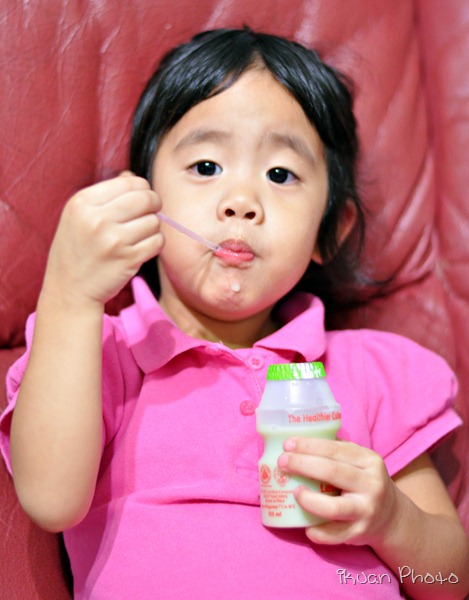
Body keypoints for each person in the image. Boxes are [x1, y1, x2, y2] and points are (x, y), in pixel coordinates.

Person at [1, 28, 468, 600]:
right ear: (141, 200)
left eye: (280, 175)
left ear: (331, 230)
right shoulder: (97, 351)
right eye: (205, 166)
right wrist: (71, 292)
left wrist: (394, 520)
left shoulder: (375, 372)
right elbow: (49, 500)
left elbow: (449, 581)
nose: (241, 202)